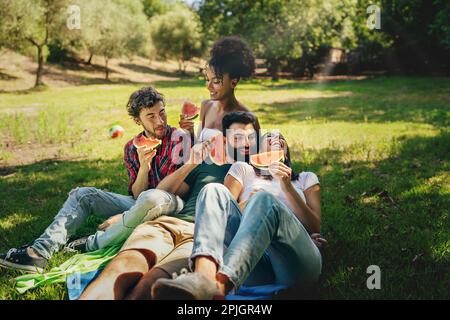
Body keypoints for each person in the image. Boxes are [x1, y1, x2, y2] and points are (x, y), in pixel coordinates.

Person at [0, 86, 187, 273]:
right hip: (140, 201)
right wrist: (144, 166)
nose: (160, 120)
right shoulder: (132, 147)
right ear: (138, 120)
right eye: (151, 116)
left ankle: (95, 239)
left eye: (162, 113)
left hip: (170, 202)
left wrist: (123, 216)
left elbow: (175, 190)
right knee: (83, 195)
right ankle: (39, 253)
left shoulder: (179, 139)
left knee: (151, 198)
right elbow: (137, 194)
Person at [79, 112, 260, 300]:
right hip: (167, 224)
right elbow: (163, 190)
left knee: (151, 284)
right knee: (121, 269)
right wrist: (190, 165)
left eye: (250, 137)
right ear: (225, 140)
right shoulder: (209, 166)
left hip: (202, 241)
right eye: (238, 137)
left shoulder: (265, 177)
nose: (246, 143)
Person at [152, 131, 326, 300]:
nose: (276, 140)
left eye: (281, 138)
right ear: (258, 150)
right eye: (269, 137)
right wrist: (248, 202)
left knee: (263, 199)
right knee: (213, 190)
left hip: (295, 263)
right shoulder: (243, 170)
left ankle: (219, 287)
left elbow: (314, 226)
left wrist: (287, 186)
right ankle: (203, 277)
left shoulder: (305, 178)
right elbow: (222, 216)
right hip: (251, 265)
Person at [179, 36, 260, 143]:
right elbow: (198, 146)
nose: (208, 86)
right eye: (207, 80)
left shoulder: (248, 117)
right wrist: (190, 133)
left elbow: (255, 155)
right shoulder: (206, 106)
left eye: (216, 81)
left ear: (233, 82)